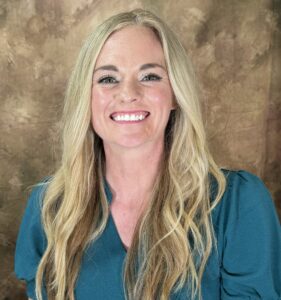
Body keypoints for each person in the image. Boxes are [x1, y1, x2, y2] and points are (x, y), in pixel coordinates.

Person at [14, 8, 281, 300]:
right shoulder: (50, 208)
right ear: (85, 98)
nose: (128, 93)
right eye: (107, 79)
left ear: (176, 94)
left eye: (150, 75)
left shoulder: (238, 204)